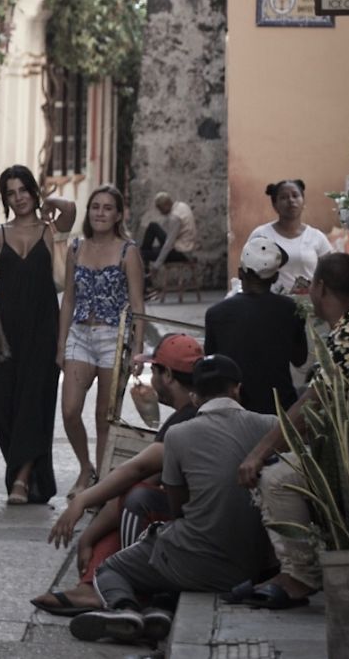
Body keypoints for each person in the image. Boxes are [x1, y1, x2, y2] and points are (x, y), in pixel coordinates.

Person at [69, 354, 276, 647]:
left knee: (110, 569)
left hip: (198, 560)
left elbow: (177, 508)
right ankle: (159, 609)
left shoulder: (178, 435)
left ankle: (125, 610)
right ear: (237, 390)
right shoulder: (271, 425)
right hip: (252, 566)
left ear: (195, 397)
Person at [236, 252, 349, 609]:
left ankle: (301, 576)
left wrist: (258, 452)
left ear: (320, 287)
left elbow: (312, 404)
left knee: (275, 479)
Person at [31, 332, 202, 618]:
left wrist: (82, 504)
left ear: (168, 376)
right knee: (129, 497)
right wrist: (89, 530)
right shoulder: (190, 412)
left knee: (135, 498)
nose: (151, 379)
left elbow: (136, 470)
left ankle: (129, 595)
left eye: (153, 370)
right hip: (204, 526)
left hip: (197, 533)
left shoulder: (186, 421)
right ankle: (92, 586)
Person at [0, 166, 75, 506]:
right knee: (3, 404)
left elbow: (71, 210)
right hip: (2, 331)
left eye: (23, 190)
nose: (18, 198)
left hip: (43, 328)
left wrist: (49, 199)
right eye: (11, 193)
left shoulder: (51, 232)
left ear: (33, 191)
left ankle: (22, 478)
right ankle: (22, 469)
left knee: (35, 402)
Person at [58, 185, 145, 493]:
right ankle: (85, 468)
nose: (100, 213)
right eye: (96, 207)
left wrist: (137, 349)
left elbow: (137, 305)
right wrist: (61, 344)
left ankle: (100, 484)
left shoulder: (128, 250)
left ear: (118, 214)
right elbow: (68, 298)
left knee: (104, 419)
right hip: (79, 334)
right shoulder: (76, 248)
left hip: (113, 338)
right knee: (69, 410)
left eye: (108, 208)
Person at [204, 234, 308, 415]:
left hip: (236, 410)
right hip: (280, 410)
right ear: (275, 278)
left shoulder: (216, 313)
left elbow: (212, 361)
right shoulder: (291, 309)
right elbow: (300, 359)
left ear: (240, 273)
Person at [246, 180, 332, 296]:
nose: (291, 200)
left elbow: (330, 273)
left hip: (308, 306)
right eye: (284, 198)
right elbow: (249, 271)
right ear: (275, 205)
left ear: (303, 201)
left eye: (295, 195)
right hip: (270, 305)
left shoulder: (317, 237)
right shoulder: (261, 234)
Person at [140, 191, 196, 276]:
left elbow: (169, 244)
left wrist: (156, 266)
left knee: (144, 253)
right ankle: (146, 277)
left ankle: (146, 280)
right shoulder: (182, 206)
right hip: (183, 246)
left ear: (166, 206)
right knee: (153, 226)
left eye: (160, 209)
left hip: (181, 253)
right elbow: (166, 229)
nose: (160, 212)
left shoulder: (174, 218)